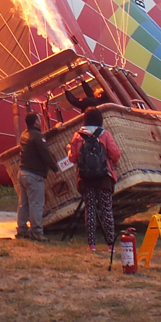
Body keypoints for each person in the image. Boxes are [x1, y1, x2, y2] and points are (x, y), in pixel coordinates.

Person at [68, 107, 121, 252]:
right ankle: (110, 244)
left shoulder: (78, 136)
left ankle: (92, 244)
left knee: (90, 210)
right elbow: (115, 153)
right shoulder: (104, 134)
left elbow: (72, 158)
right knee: (106, 210)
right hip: (104, 177)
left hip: (85, 179)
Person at [15, 112, 60, 241]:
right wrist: (55, 169)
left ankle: (22, 229)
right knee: (36, 203)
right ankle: (36, 231)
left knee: (23, 203)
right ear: (36, 122)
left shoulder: (25, 135)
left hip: (23, 173)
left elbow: (40, 138)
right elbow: (45, 154)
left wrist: (55, 130)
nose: (40, 121)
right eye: (39, 119)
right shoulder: (37, 136)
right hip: (34, 175)